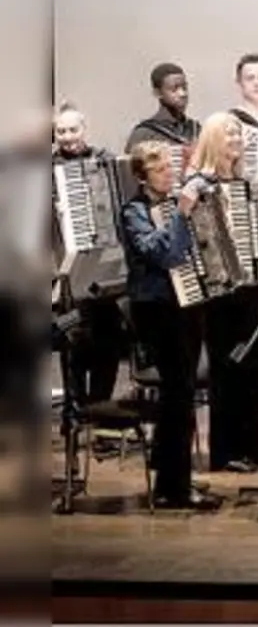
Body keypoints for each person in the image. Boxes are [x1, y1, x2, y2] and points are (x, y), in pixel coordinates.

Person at [119, 141, 220, 510]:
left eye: (170, 168)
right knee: (177, 394)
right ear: (142, 176)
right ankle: (171, 488)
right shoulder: (134, 212)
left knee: (183, 392)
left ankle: (174, 475)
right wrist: (181, 212)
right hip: (158, 310)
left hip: (186, 306)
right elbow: (163, 253)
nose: (169, 175)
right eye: (160, 170)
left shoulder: (171, 203)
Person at [186, 111, 258, 473]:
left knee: (254, 365)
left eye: (238, 134)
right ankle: (225, 451)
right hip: (218, 291)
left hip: (249, 286)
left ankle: (253, 445)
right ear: (212, 139)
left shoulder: (244, 182)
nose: (236, 140)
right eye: (229, 134)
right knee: (227, 368)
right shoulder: (198, 184)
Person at [51, 104, 126, 408]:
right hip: (64, 267)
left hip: (102, 266)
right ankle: (76, 410)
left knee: (107, 341)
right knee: (75, 341)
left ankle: (101, 409)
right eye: (61, 131)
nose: (68, 137)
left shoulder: (104, 160)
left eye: (73, 130)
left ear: (85, 130)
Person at [125, 62, 201, 153]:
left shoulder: (195, 129)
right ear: (158, 93)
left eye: (184, 87)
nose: (183, 94)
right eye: (174, 89)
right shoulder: (143, 134)